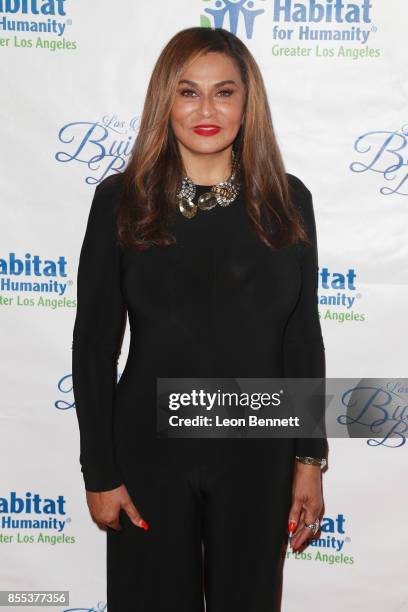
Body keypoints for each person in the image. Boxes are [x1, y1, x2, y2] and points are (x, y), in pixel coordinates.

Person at [72, 26, 328, 612]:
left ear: (247, 103)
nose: (206, 109)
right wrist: (100, 470)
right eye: (189, 92)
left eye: (224, 92)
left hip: (258, 453)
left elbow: (301, 338)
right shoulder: (121, 201)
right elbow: (92, 346)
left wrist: (309, 461)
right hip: (147, 455)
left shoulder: (289, 202)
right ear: (166, 101)